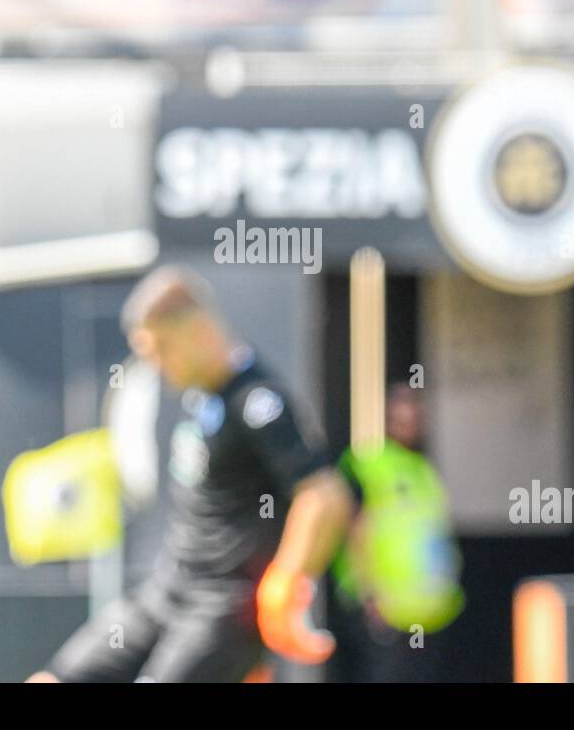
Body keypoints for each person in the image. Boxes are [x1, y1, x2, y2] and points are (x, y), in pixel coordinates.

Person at [27, 267, 355, 682]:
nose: (158, 366)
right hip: (168, 590)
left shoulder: (257, 403)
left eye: (160, 349)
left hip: (222, 609)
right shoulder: (199, 393)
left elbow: (324, 494)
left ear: (199, 330)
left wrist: (285, 583)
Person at [328, 383, 463, 682]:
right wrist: (369, 596)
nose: (410, 423)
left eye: (415, 415)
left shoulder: (422, 469)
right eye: (401, 415)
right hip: (383, 613)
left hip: (428, 615)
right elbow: (354, 531)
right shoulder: (365, 463)